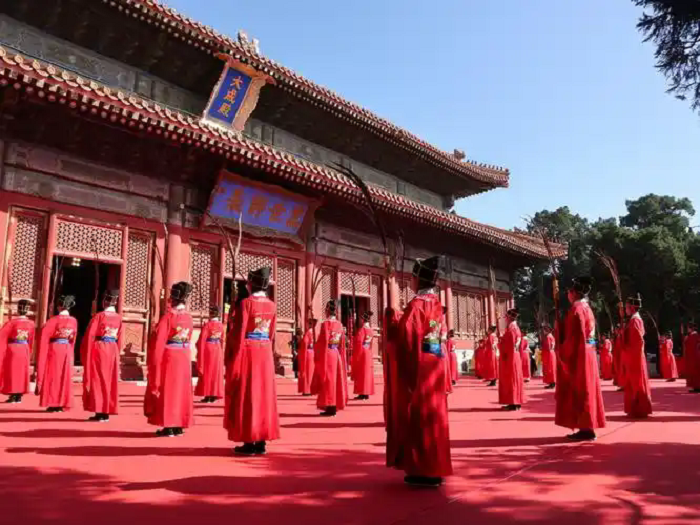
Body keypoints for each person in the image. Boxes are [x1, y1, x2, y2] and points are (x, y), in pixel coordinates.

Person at [386, 255, 452, 487]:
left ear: (417, 279)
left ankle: (422, 470)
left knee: (420, 418)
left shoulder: (416, 306)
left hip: (421, 371)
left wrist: (391, 322)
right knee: (436, 418)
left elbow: (405, 340)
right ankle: (436, 466)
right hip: (436, 366)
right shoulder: (437, 306)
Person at [225, 267, 280, 456]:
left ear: (251, 284)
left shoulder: (246, 304)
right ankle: (261, 441)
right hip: (265, 352)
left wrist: (233, 357)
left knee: (248, 394)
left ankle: (249, 441)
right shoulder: (272, 306)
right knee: (263, 395)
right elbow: (271, 333)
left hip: (248, 352)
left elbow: (239, 333)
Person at [555, 276, 606, 441]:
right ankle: (587, 426)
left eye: (569, 291)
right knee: (588, 389)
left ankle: (586, 427)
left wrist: (562, 351)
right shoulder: (587, 308)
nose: (567, 295)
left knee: (581, 390)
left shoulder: (576, 309)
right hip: (588, 352)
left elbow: (574, 337)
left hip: (580, 354)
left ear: (574, 293)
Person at [146, 281, 195, 437]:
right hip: (184, 355)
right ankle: (179, 424)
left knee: (169, 390)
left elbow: (159, 342)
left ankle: (169, 425)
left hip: (170, 356)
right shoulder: (188, 318)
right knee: (181, 390)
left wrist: (154, 363)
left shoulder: (168, 318)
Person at [81, 289, 122, 422]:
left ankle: (100, 411)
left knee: (98, 379)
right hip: (113, 348)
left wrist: (86, 352)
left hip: (100, 349)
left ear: (105, 301)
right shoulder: (118, 318)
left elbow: (90, 336)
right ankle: (106, 410)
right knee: (109, 379)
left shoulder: (99, 316)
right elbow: (119, 337)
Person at [36, 295, 78, 412]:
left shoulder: (53, 320)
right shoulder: (73, 321)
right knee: (64, 376)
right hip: (67, 349)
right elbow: (73, 339)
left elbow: (44, 338)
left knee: (53, 376)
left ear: (59, 306)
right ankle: (62, 402)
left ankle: (53, 402)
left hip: (55, 349)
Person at [312, 299, 348, 416]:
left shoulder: (325, 324)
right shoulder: (340, 324)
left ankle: (330, 405)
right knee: (334, 381)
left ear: (327, 310)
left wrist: (317, 351)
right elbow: (342, 342)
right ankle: (333, 405)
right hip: (336, 353)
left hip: (327, 354)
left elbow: (322, 342)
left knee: (328, 380)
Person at [623, 294, 652, 419]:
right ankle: (635, 408)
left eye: (627, 307)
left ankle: (639, 409)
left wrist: (631, 352)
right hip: (633, 355)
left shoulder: (635, 320)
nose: (625, 309)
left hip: (635, 355)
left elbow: (638, 340)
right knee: (634, 381)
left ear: (632, 307)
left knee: (637, 382)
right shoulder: (634, 320)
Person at [0, 300, 35, 404]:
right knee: (22, 372)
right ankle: (19, 395)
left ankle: (13, 394)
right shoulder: (31, 323)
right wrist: (29, 351)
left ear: (18, 309)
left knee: (13, 372)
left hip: (13, 349)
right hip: (24, 348)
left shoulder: (12, 323)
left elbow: (2, 337)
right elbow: (31, 339)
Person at [195, 305, 224, 404]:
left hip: (209, 349)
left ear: (211, 314)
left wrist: (198, 346)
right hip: (218, 349)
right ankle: (214, 395)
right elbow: (222, 340)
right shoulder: (221, 326)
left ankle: (208, 395)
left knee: (208, 372)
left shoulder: (208, 325)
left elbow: (202, 340)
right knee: (215, 372)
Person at [499, 308, 525, 411]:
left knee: (511, 379)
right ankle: (516, 402)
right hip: (515, 355)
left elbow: (509, 344)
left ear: (509, 317)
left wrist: (501, 341)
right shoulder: (516, 327)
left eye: (506, 317)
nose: (505, 319)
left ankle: (513, 402)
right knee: (515, 378)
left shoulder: (511, 328)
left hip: (511, 355)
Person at [352, 311, 375, 400]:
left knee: (361, 373)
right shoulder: (371, 330)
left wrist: (357, 355)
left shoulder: (362, 330)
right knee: (367, 373)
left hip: (362, 354)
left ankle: (362, 393)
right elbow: (370, 343)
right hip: (368, 352)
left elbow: (358, 343)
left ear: (363, 320)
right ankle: (366, 393)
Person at [298, 318, 316, 396]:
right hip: (313, 353)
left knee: (307, 372)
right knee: (312, 372)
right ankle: (312, 389)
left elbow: (305, 342)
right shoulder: (315, 332)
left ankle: (307, 390)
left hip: (308, 353)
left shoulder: (308, 333)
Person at [684, 322, 700, 393]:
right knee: (695, 372)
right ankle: (696, 387)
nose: (687, 329)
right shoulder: (694, 335)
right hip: (694, 356)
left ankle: (697, 387)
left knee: (695, 372)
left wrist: (686, 340)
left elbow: (690, 346)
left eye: (688, 328)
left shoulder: (693, 336)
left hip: (694, 356)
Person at [541, 325, 557, 389]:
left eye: (544, 330)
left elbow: (548, 347)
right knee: (552, 368)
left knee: (549, 369)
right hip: (551, 353)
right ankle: (552, 382)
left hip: (548, 354)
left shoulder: (548, 337)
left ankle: (552, 383)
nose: (543, 331)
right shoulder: (551, 336)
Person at [613, 324, 625, 391]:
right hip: (616, 355)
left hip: (621, 355)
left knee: (622, 370)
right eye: (615, 329)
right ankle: (620, 384)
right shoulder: (616, 337)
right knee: (618, 370)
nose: (616, 331)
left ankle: (623, 385)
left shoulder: (621, 336)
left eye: (617, 329)